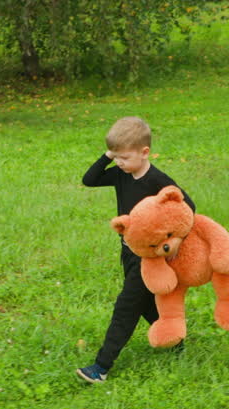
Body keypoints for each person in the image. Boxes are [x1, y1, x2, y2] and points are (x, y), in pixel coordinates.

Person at [76, 116, 195, 384]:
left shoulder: (157, 180)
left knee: (126, 306)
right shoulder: (121, 173)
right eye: (115, 157)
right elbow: (89, 180)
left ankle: (101, 367)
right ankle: (174, 338)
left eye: (124, 157)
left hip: (151, 257)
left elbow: (188, 206)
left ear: (144, 152)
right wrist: (110, 153)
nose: (119, 163)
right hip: (129, 252)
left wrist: (177, 238)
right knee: (144, 304)